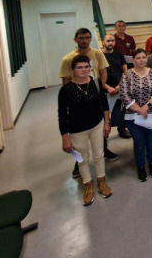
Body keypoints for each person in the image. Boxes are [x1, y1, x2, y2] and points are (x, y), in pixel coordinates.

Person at [59, 28, 117, 178]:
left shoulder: (97, 54)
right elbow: (66, 81)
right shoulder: (68, 59)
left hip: (95, 96)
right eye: (81, 38)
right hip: (77, 101)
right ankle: (78, 164)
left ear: (90, 39)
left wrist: (97, 89)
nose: (84, 40)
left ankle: (104, 150)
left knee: (100, 131)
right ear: (75, 40)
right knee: (80, 144)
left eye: (87, 37)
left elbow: (103, 73)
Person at [58, 55, 112, 206]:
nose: (83, 70)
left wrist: (107, 122)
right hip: (76, 130)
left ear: (90, 68)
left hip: (97, 125)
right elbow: (62, 115)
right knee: (82, 159)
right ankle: (88, 185)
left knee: (99, 154)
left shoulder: (96, 83)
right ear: (73, 70)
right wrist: (65, 138)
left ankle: (102, 181)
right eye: (79, 67)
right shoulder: (66, 90)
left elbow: (104, 104)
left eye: (86, 67)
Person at [120, 48, 152, 181]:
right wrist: (139, 110)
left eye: (143, 57)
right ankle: (140, 166)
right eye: (138, 58)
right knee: (139, 141)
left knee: (151, 140)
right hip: (133, 115)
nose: (141, 60)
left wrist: (147, 106)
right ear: (133, 60)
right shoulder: (127, 75)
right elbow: (124, 94)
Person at [101, 34, 131, 139]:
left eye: (112, 41)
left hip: (119, 88)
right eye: (108, 41)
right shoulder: (99, 56)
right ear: (103, 42)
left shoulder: (119, 54)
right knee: (104, 113)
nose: (110, 43)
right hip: (104, 89)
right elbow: (97, 75)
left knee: (120, 110)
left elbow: (125, 71)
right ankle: (104, 134)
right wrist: (107, 87)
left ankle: (122, 129)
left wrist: (120, 85)